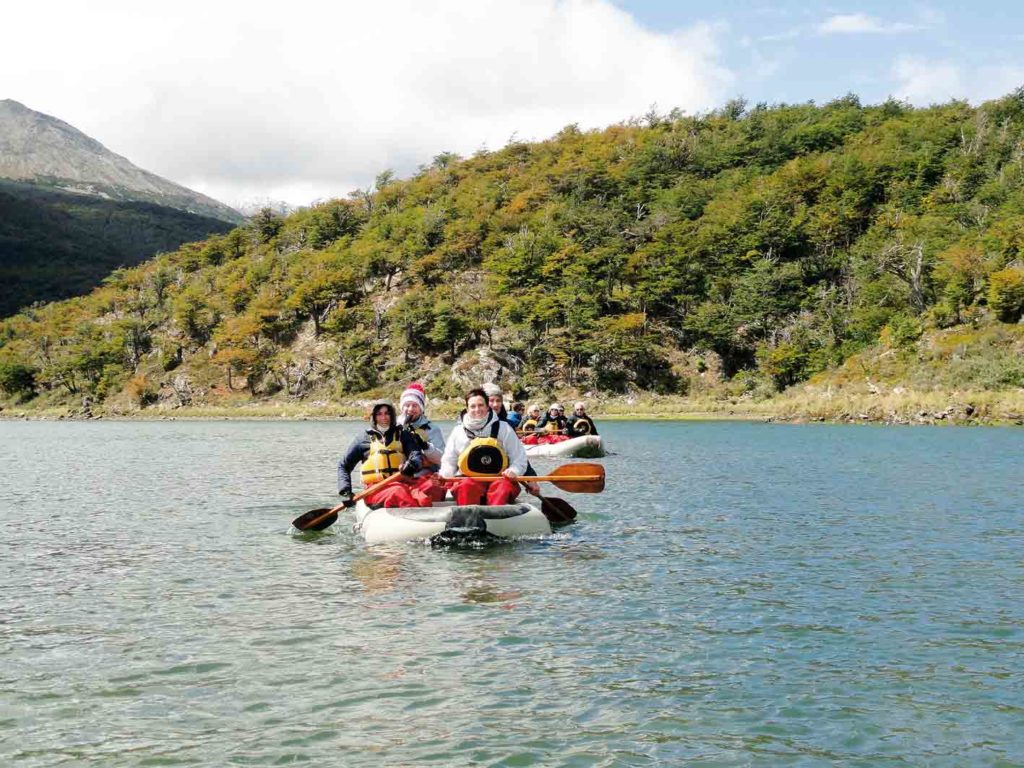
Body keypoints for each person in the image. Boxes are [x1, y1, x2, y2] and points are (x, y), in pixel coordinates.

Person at [441, 388, 528, 505]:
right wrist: (445, 475)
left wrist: (514, 470)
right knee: (466, 486)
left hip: (498, 479)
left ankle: (497, 517)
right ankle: (468, 518)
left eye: (481, 405)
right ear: (467, 409)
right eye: (473, 406)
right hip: (468, 479)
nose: (477, 409)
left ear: (488, 407)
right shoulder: (458, 431)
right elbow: (449, 461)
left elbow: (519, 458)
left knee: (502, 487)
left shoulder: (504, 428)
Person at [337, 401, 427, 508]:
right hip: (375, 490)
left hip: (403, 484)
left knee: (424, 497)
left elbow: (416, 455)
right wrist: (346, 491)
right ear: (374, 417)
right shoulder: (363, 439)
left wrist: (412, 464)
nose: (384, 417)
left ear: (392, 415)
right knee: (398, 491)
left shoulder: (403, 435)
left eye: (387, 413)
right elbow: (343, 466)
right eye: (379, 414)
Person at [396, 382, 448, 502]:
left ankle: (419, 497)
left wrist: (425, 446)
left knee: (433, 488)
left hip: (423, 476)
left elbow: (442, 459)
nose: (410, 409)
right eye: (407, 405)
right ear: (401, 407)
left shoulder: (432, 429)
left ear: (421, 408)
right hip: (399, 476)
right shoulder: (393, 427)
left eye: (415, 405)